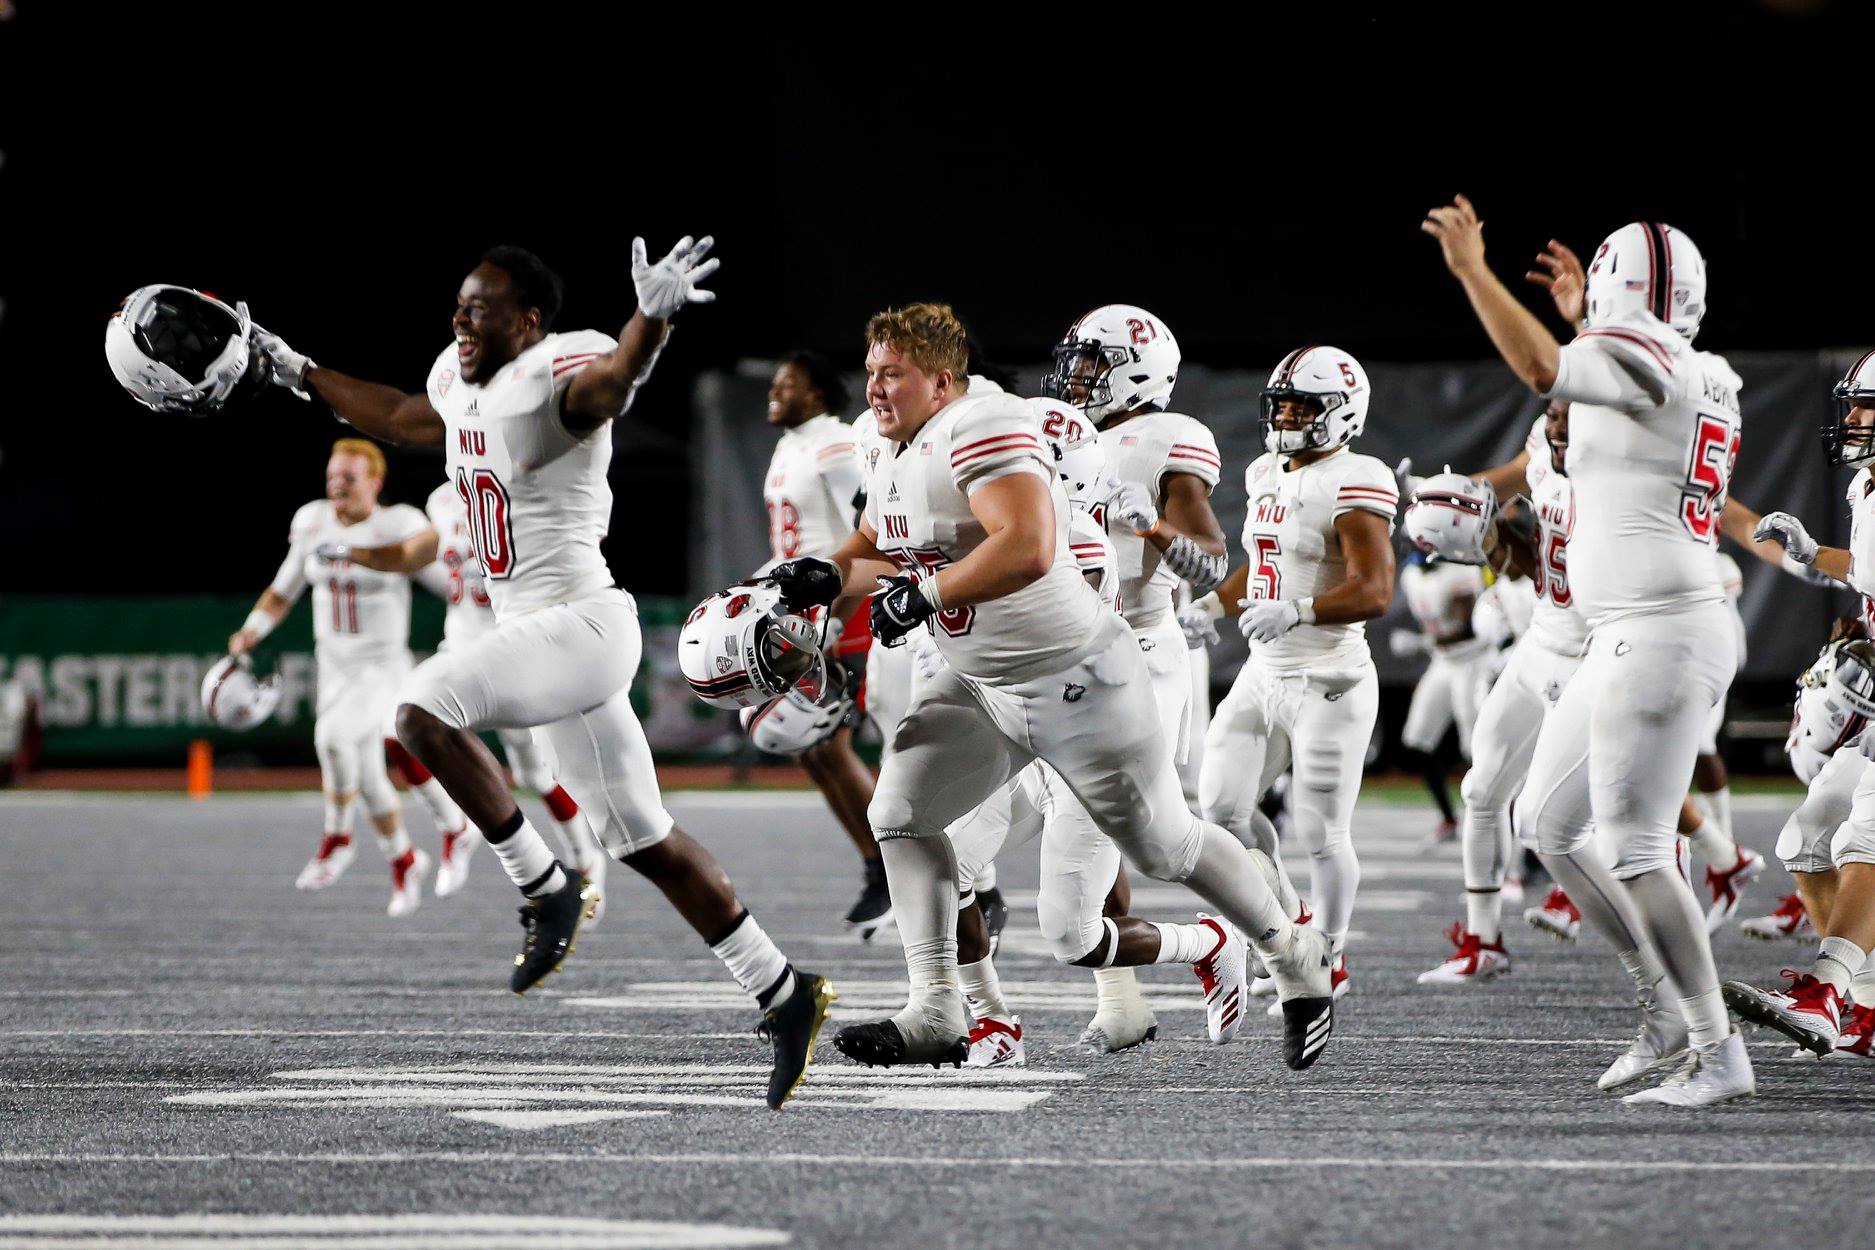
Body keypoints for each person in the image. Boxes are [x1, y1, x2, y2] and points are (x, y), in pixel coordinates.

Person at [248, 240, 831, 1110]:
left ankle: (543, 884)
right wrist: (296, 368)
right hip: (540, 635)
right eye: (459, 304)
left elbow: (613, 384)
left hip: (580, 622)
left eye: (480, 308)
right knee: (643, 840)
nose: (461, 318)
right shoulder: (460, 381)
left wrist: (651, 321)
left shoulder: (556, 375)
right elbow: (400, 416)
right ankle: (784, 992)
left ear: (527, 322)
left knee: (419, 709)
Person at [769, 303, 1334, 1071]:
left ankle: (1289, 950)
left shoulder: (986, 425)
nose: (872, 388)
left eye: (891, 374)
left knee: (1164, 848)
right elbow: (883, 539)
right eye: (869, 371)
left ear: (942, 382)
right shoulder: (883, 439)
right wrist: (825, 574)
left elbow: (1029, 547)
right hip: (981, 679)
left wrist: (924, 596)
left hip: (1076, 679)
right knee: (899, 816)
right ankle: (937, 1009)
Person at [1425, 199, 1751, 1106]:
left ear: (1616, 291)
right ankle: (1663, 1007)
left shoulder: (1650, 360)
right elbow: (1613, 386)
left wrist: (1471, 270)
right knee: (1544, 822)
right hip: (1629, 628)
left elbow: (1542, 371)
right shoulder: (1704, 369)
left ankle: (1715, 1050)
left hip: (1661, 627)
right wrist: (1582, 323)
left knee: (1636, 846)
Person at [1184, 345, 1398, 999]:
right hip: (1264, 671)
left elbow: (1375, 589)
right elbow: (1265, 563)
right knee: (1221, 810)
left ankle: (1328, 955)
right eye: (1279, 406)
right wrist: (1212, 605)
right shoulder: (1264, 472)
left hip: (1330, 677)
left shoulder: (1357, 478)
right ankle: (1289, 921)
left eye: (1300, 408)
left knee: (1320, 829)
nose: (1284, 418)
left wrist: (1299, 610)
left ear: (1342, 412)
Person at [317, 479, 609, 910]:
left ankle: (584, 858)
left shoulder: (527, 490)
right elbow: (420, 557)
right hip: (458, 648)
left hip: (513, 649)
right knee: (398, 728)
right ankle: (455, 826)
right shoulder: (442, 499)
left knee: (534, 774)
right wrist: (354, 552)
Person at [1727, 349, 1875, 1058]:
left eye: (1866, 406)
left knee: (1862, 839)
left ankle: (1825, 990)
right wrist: (1812, 553)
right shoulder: (1867, 486)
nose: (1853, 418)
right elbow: (1866, 568)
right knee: (1807, 838)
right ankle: (1865, 1008)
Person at [230, 438, 432, 916]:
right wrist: (252, 629)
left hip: (382, 665)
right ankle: (405, 859)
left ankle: (338, 837)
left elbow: (430, 563)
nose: (337, 484)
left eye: (349, 477)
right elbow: (283, 589)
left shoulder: (399, 523)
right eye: (332, 475)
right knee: (366, 775)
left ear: (375, 483)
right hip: (334, 666)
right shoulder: (312, 521)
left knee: (333, 737)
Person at [754, 353, 891, 937]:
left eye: (787, 384)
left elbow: (869, 533)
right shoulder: (792, 444)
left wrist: (836, 617)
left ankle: (895, 871)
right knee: (809, 749)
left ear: (816, 393)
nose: (774, 391)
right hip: (800, 611)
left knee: (828, 744)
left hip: (838, 608)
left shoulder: (835, 443)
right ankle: (878, 868)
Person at [1391, 551, 1490, 842]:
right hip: (1443, 661)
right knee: (1417, 740)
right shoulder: (1411, 575)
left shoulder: (1460, 571)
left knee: (1474, 748)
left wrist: (1421, 642)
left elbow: (1468, 629)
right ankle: (1449, 820)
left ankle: (1488, 819)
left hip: (1472, 661)